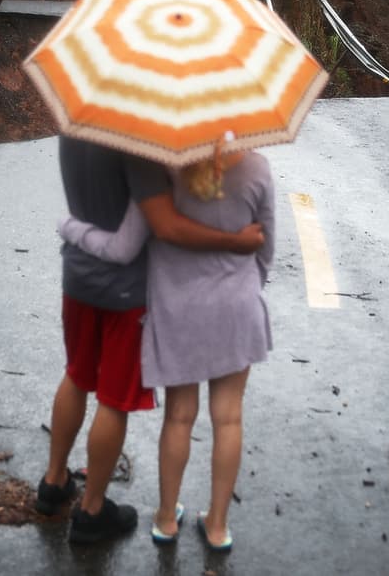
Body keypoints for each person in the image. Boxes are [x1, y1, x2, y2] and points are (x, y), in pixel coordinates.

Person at [36, 136, 265, 544]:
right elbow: (164, 227)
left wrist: (70, 228)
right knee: (112, 400)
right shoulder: (139, 148)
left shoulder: (74, 128)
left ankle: (53, 483)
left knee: (75, 376)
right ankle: (91, 511)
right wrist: (236, 245)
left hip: (78, 278)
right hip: (124, 292)